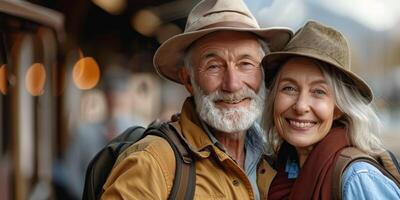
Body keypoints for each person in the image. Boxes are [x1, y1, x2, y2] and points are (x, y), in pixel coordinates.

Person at [100, 0, 292, 199]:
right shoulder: (152, 163)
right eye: (214, 66)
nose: (232, 84)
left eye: (245, 64)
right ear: (188, 80)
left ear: (263, 74)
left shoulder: (276, 158)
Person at [262, 21, 400, 199]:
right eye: (289, 88)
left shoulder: (357, 178)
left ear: (339, 109)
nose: (301, 106)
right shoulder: (282, 169)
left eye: (318, 92)